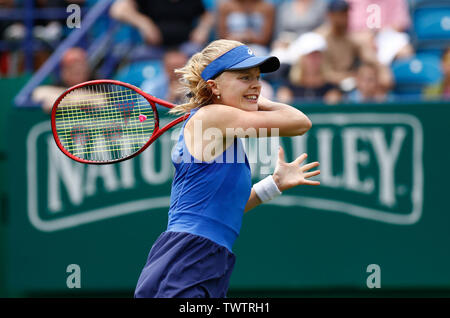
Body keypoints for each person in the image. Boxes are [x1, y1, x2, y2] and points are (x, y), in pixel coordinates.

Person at [134, 39, 321, 298]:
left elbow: (228, 208)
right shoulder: (213, 117)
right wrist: (259, 98)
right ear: (214, 86)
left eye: (258, 77)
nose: (256, 83)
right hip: (187, 254)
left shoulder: (220, 129)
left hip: (207, 257)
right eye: (244, 77)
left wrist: (273, 184)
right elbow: (300, 122)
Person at [316, 0, 393, 93]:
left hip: (349, 86)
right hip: (323, 88)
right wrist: (354, 76)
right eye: (340, 14)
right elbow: (325, 74)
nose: (344, 18)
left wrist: (382, 70)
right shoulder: (320, 39)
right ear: (330, 15)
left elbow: (370, 58)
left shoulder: (351, 38)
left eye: (346, 14)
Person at [109, 0, 214, 58]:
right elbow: (118, 10)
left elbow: (207, 15)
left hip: (185, 48)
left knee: (201, 56)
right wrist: (144, 24)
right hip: (154, 49)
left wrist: (202, 29)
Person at [276, 32, 341, 104]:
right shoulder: (287, 87)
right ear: (301, 58)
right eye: (309, 56)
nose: (314, 60)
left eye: (317, 55)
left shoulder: (331, 88)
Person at [346, 0, 414, 66]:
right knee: (365, 44)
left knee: (405, 51)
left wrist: (377, 33)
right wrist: (367, 36)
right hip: (358, 37)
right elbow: (344, 25)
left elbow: (400, 24)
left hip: (385, 37)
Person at [32, 47, 91, 113]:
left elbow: (102, 100)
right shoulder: (56, 85)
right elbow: (39, 94)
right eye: (71, 66)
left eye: (80, 64)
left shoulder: (97, 85)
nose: (77, 68)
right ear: (64, 71)